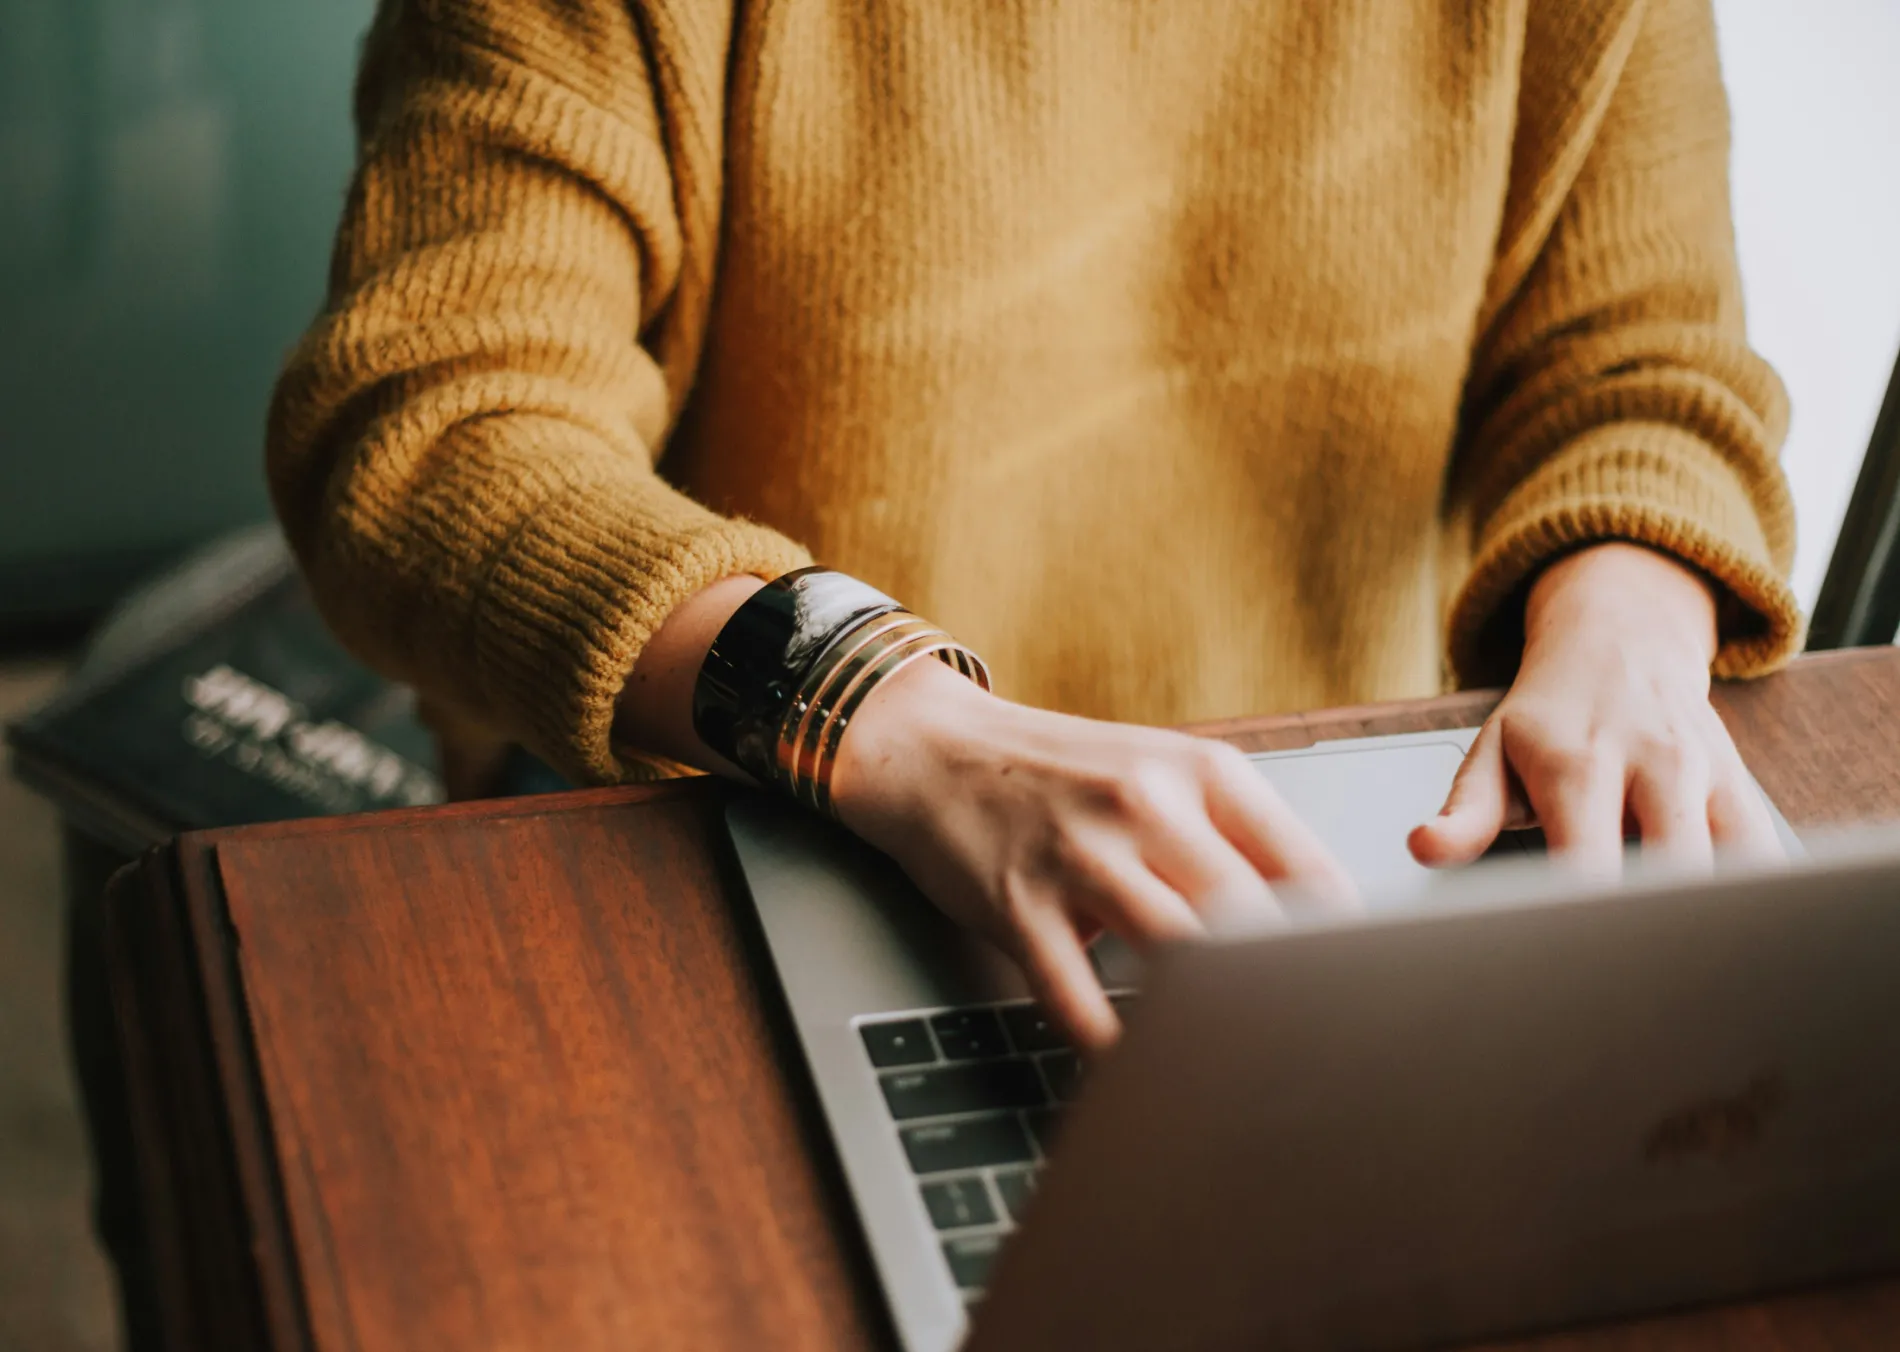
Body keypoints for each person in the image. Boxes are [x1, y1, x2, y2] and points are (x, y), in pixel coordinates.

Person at [268, 0, 1799, 1051]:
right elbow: (432, 426)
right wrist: (875, 711)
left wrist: (1631, 617)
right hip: (749, 808)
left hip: (1326, 857)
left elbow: (1643, 367)